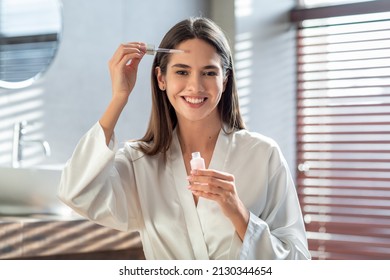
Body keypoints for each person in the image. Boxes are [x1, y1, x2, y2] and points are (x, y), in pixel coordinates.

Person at [58, 17, 311, 260]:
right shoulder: (139, 162)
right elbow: (77, 193)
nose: (195, 86)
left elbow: (297, 260)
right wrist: (119, 97)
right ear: (161, 78)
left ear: (225, 79)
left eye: (209, 73)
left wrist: (239, 213)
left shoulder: (262, 154)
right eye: (182, 71)